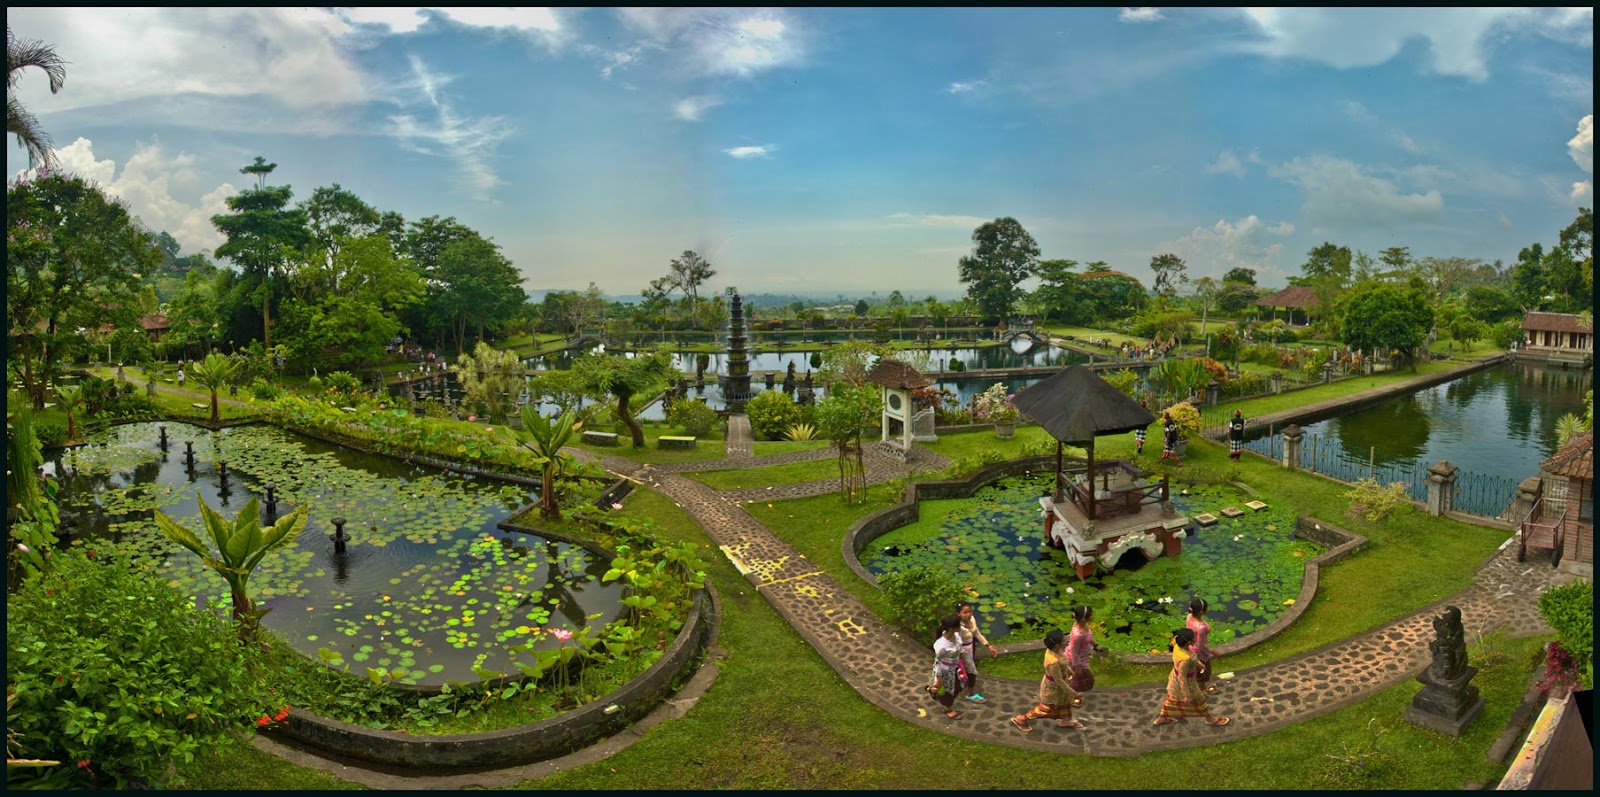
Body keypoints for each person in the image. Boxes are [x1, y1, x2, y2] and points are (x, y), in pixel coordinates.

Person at [1153, 627, 1228, 726]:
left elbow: (1189, 659)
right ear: (1188, 642)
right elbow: (1182, 677)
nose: (1195, 639)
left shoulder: (1177, 647)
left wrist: (1198, 663)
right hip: (1187, 683)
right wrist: (1187, 694)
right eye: (1193, 638)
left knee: (1172, 699)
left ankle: (1162, 718)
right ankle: (1209, 719)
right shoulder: (1185, 659)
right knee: (1200, 700)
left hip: (1174, 679)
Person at [1011, 629, 1083, 731]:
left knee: (1065, 703)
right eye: (1064, 640)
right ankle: (1022, 719)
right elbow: (1059, 681)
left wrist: (1070, 671)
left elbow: (1063, 664)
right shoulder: (1052, 662)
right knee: (1047, 709)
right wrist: (1074, 693)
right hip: (1053, 688)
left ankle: (1066, 720)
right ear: (1057, 644)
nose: (1066, 641)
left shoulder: (1056, 650)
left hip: (1062, 685)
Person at [926, 615, 967, 719]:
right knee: (947, 692)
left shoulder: (956, 636)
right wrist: (939, 678)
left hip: (955, 668)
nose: (961, 626)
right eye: (958, 625)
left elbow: (960, 650)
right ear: (951, 628)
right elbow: (938, 662)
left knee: (959, 687)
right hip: (945, 671)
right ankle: (947, 708)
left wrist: (963, 663)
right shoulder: (941, 645)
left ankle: (932, 690)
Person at [955, 602, 998, 703]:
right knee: (971, 672)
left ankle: (961, 684)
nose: (968, 614)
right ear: (958, 613)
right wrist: (963, 659)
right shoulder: (957, 627)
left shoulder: (972, 619)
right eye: (965, 612)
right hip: (962, 650)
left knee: (965, 670)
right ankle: (970, 694)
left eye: (970, 611)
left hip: (970, 647)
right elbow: (957, 644)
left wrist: (988, 645)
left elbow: (977, 633)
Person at [1066, 605, 1107, 707]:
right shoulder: (1077, 635)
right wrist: (1077, 666)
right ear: (1084, 619)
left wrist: (1095, 645)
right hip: (1076, 659)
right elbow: (1074, 652)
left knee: (1080, 679)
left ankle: (1073, 691)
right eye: (1091, 615)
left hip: (1082, 657)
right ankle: (1074, 697)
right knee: (1084, 678)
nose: (1093, 616)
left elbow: (1089, 637)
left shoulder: (1084, 625)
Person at [1186, 598, 1218, 694]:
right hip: (1199, 652)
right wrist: (1213, 651)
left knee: (1196, 668)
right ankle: (1202, 689)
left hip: (1190, 647)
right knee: (1205, 670)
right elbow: (1201, 645)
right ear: (1201, 612)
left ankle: (1197, 687)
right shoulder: (1201, 628)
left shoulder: (1189, 616)